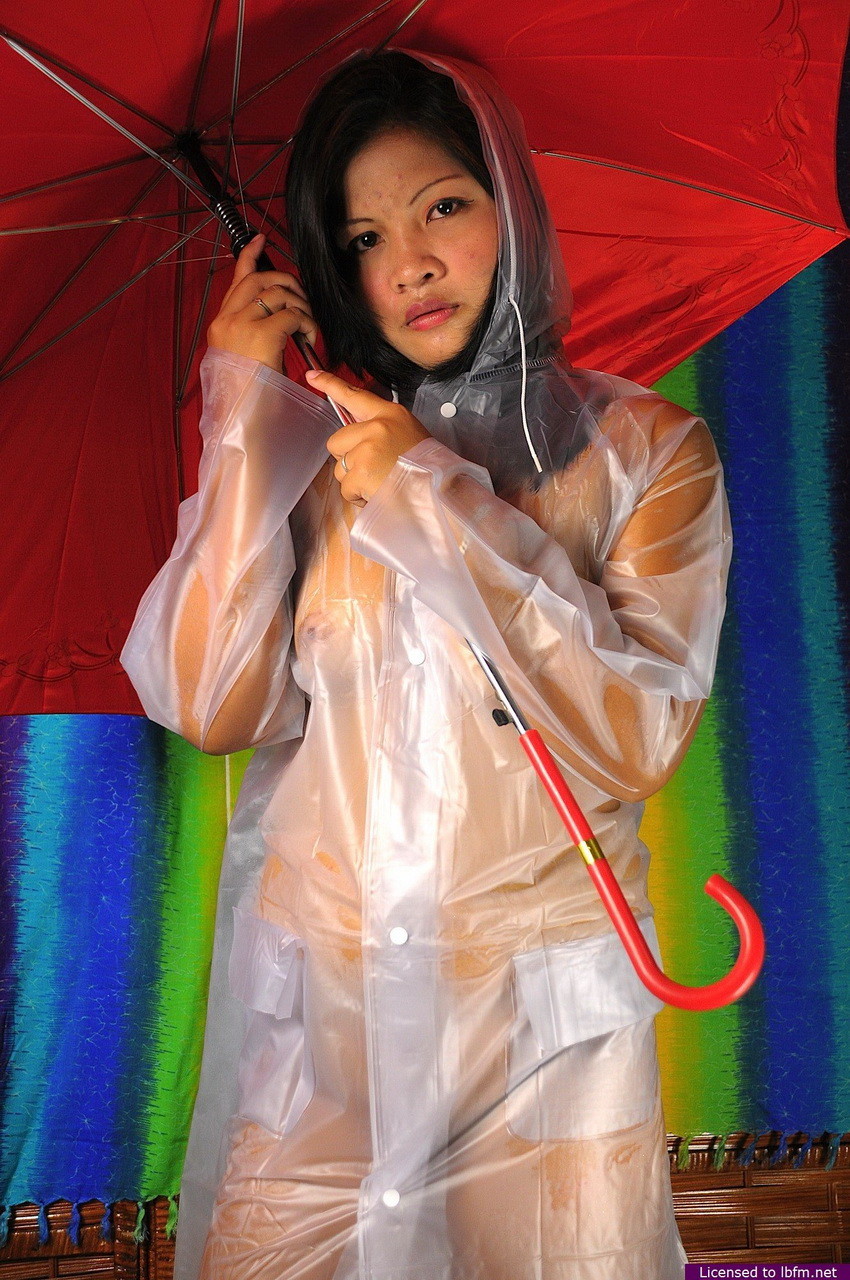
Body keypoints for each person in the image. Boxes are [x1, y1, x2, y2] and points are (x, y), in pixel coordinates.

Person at [121, 47, 730, 1280]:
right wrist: (241, 415)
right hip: (329, 1032)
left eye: (442, 205)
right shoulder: (311, 452)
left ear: (510, 204)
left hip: (538, 1036)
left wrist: (433, 498)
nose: (406, 263)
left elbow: (635, 732)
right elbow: (206, 702)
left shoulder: (647, 450)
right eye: (358, 238)